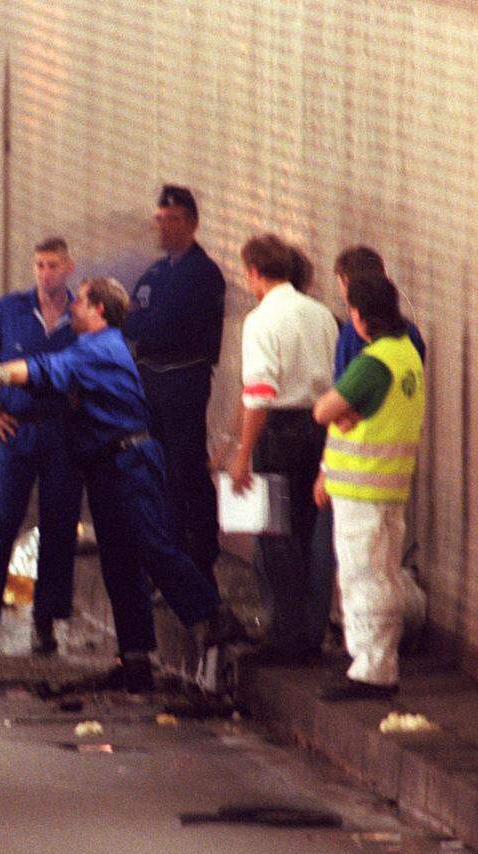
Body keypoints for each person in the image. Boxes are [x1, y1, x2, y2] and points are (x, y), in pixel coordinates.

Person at [0, 277, 229, 692]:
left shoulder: (99, 349)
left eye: (81, 302)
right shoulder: (89, 348)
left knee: (154, 546)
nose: (72, 306)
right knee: (120, 565)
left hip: (128, 462)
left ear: (99, 310)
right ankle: (134, 660)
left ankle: (214, 619)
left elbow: (44, 370)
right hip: (107, 467)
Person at [0, 237, 84, 655]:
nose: (46, 273)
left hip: (62, 433)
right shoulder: (9, 310)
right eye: (39, 265)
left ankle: (45, 620)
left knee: (59, 527)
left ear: (69, 267)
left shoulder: (81, 315)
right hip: (14, 431)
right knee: (1, 520)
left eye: (53, 265)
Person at [308, 246, 428, 651]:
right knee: (382, 571)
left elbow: (329, 410)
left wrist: (324, 469)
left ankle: (366, 663)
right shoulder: (410, 344)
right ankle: (378, 657)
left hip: (358, 480)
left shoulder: (364, 351)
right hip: (391, 479)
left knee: (359, 573)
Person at [227, 234, 338, 664]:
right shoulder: (322, 314)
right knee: (312, 531)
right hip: (320, 427)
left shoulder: (260, 320)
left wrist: (241, 452)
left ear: (254, 272)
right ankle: (311, 632)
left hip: (278, 430)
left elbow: (259, 392)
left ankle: (284, 636)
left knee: (274, 532)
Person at [124, 185, 226, 591]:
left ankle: (199, 560)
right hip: (152, 379)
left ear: (192, 223)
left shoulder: (203, 273)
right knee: (156, 471)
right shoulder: (155, 273)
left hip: (183, 380)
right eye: (159, 220)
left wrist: (144, 325)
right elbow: (129, 320)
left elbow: (168, 328)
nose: (163, 227)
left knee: (186, 471)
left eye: (172, 219)